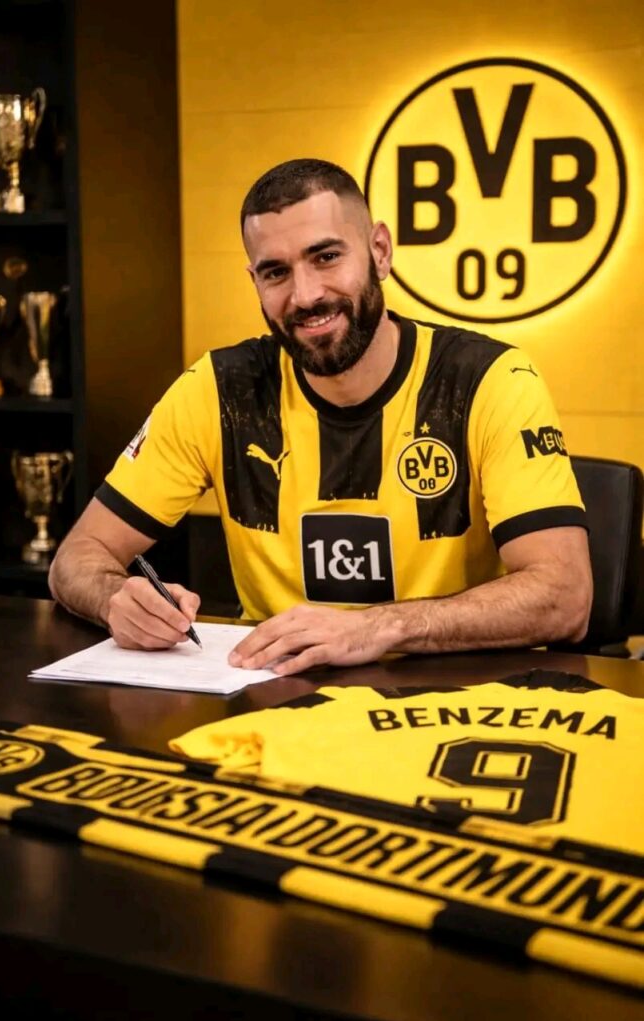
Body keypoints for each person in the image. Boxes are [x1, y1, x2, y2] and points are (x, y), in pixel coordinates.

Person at [48, 158, 592, 675]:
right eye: (275, 272)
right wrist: (116, 599)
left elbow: (565, 596)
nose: (305, 295)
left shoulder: (488, 380)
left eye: (327, 257)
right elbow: (77, 558)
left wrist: (379, 628)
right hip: (271, 698)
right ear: (255, 281)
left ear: (380, 251)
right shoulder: (217, 390)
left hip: (452, 703)